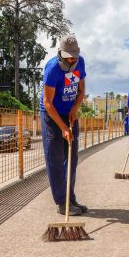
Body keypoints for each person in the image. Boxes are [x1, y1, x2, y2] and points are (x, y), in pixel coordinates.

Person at [40, 35, 87, 216]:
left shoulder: (80, 63)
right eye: (68, 56)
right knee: (56, 160)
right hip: (51, 116)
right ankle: (61, 202)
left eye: (74, 56)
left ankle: (70, 198)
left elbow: (81, 90)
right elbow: (48, 103)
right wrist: (63, 128)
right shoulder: (52, 69)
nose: (71, 60)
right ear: (60, 53)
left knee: (72, 158)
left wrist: (74, 110)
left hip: (69, 113)